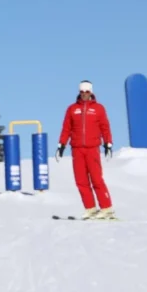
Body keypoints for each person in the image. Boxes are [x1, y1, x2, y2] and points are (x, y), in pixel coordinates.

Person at [55, 80, 116, 220]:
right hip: (77, 149)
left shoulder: (99, 109)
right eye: (81, 92)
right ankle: (91, 208)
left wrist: (108, 144)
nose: (84, 94)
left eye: (87, 92)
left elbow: (105, 127)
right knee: (81, 181)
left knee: (96, 179)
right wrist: (61, 145)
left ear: (91, 92)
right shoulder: (72, 109)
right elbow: (66, 128)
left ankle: (107, 208)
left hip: (92, 148)